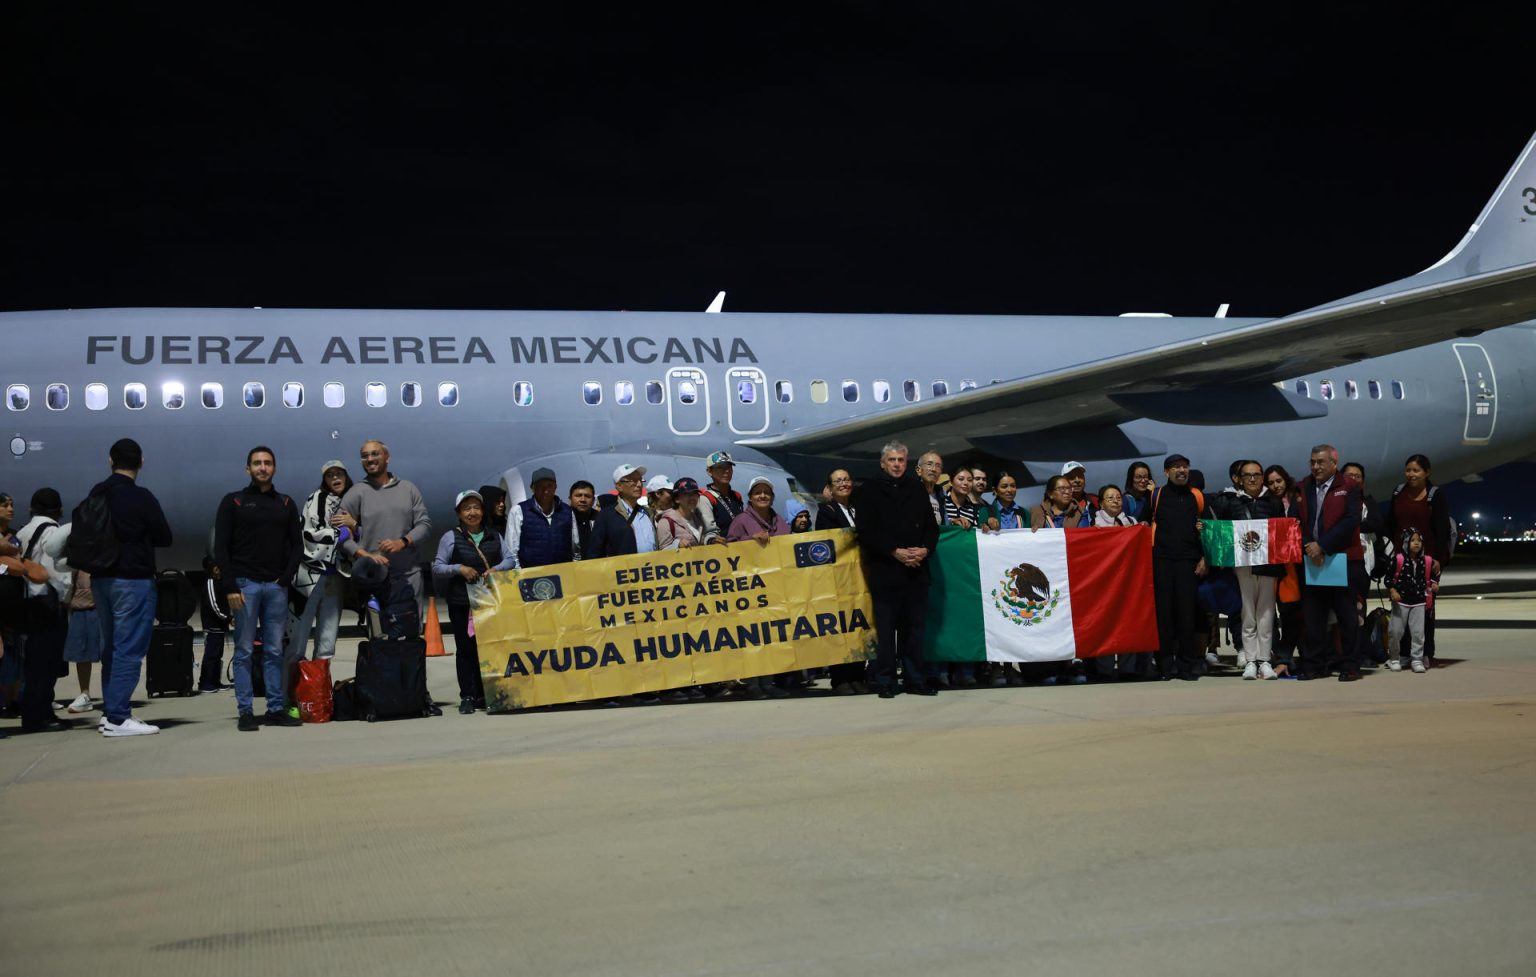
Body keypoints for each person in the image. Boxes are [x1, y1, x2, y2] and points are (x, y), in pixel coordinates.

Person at [85, 438, 173, 737]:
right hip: (132, 580)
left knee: (111, 648)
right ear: (141, 462)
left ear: (111, 461)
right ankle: (119, 718)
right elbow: (164, 536)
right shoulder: (141, 497)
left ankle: (110, 712)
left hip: (100, 579)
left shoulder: (97, 493)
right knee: (129, 649)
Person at [213, 446, 303, 731]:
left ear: (274, 468)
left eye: (267, 463)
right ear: (247, 469)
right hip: (245, 586)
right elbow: (221, 547)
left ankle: (275, 708)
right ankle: (246, 711)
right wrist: (229, 586)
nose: (262, 468)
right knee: (244, 651)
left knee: (275, 651)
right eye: (257, 463)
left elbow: (297, 544)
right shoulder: (234, 502)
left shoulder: (286, 503)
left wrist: (286, 578)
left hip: (276, 587)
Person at [853, 441, 939, 698]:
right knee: (887, 630)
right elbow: (867, 530)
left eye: (901, 460)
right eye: (892, 460)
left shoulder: (917, 489)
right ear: (883, 463)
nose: (897, 464)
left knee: (914, 629)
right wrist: (895, 552)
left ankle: (914, 678)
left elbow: (930, 528)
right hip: (886, 571)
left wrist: (924, 549)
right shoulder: (868, 490)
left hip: (916, 570)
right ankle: (885, 679)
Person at [432, 490, 517, 713]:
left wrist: (496, 569)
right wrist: (459, 568)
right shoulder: (451, 537)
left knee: (489, 648)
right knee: (466, 650)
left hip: (488, 602)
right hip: (462, 603)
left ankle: (486, 693)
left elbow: (510, 559)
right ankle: (467, 695)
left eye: (476, 508)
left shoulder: (493, 535)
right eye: (467, 508)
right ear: (459, 513)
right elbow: (437, 566)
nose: (472, 512)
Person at [339, 440, 432, 638]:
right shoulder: (356, 493)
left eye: (375, 454)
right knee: (380, 643)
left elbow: (424, 526)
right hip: (374, 582)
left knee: (411, 640)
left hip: (409, 579)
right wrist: (365, 554)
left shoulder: (408, 489)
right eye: (365, 456)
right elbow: (340, 535)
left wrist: (403, 542)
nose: (370, 459)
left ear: (387, 458)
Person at [1209, 460, 1284, 680]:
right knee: (1247, 614)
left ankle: (1265, 661)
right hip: (1243, 566)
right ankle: (1250, 660)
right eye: (1247, 475)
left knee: (1267, 613)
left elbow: (1281, 531)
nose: (1252, 479)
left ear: (1262, 477)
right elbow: (1219, 527)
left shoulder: (1273, 501)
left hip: (1268, 565)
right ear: (1239, 478)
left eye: (1256, 474)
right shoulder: (1230, 501)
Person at [1295, 443, 1364, 682]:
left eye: (1320, 462)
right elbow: (1297, 521)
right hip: (1313, 559)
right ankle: (1315, 664)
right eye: (1312, 461)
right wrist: (1309, 546)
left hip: (1342, 559)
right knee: (1314, 616)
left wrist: (1322, 546)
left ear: (1334, 463)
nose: (1315, 466)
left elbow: (1351, 521)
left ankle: (1351, 665)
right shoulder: (1303, 486)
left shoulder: (1350, 487)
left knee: (1346, 617)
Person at [1381, 454, 1453, 662]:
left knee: (1424, 609)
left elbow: (1442, 530)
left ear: (1427, 472)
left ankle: (1424, 653)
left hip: (1427, 561)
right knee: (1401, 608)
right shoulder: (1398, 492)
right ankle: (1403, 653)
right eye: (1408, 470)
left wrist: (1439, 559)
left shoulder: (1434, 495)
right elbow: (1391, 524)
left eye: (1416, 470)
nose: (1411, 474)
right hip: (1401, 561)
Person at [1144, 454, 1208, 681]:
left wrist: (1205, 559)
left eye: (1185, 467)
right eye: (1176, 467)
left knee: (1186, 615)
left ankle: (1187, 666)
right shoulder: (1156, 495)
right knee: (1164, 616)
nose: (1182, 471)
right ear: (1166, 472)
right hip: (1161, 562)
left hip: (1189, 563)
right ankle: (1165, 666)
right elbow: (1143, 527)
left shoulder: (1197, 496)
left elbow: (1208, 530)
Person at [13, 489, 72, 732]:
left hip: (27, 603)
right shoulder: (52, 532)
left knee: (33, 662)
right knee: (46, 664)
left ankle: (36, 712)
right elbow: (55, 572)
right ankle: (39, 716)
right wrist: (65, 598)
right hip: (47, 605)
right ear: (58, 510)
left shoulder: (22, 532)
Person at [289, 462, 354, 673]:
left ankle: (319, 699)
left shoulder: (351, 501)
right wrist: (341, 534)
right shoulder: (317, 499)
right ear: (324, 480)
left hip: (335, 579)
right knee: (296, 641)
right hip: (309, 579)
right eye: (330, 476)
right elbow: (309, 532)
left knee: (327, 643)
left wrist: (355, 526)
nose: (335, 478)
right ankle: (291, 697)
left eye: (339, 474)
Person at [815, 469, 867, 694]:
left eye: (846, 479)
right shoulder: (825, 512)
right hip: (838, 577)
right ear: (830, 488)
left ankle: (857, 675)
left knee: (859, 626)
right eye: (838, 481)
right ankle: (840, 678)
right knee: (841, 627)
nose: (844, 484)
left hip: (861, 576)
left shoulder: (859, 509)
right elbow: (825, 543)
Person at [1264, 464, 1305, 677]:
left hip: (1297, 564)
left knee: (1295, 613)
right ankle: (1281, 657)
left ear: (1286, 480)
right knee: (1279, 613)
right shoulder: (1266, 502)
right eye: (1270, 482)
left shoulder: (1299, 498)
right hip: (1276, 563)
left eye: (1278, 481)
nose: (1275, 486)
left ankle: (1289, 657)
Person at [1385, 528, 1438, 674]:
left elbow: (1435, 572)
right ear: (1406, 542)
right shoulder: (1398, 559)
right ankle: (1394, 658)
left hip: (1419, 602)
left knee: (1418, 633)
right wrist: (1393, 590)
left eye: (1419, 541)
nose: (1416, 543)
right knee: (1396, 631)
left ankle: (1417, 659)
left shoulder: (1426, 560)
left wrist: (1434, 583)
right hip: (1401, 601)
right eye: (1413, 540)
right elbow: (1388, 579)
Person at [509, 467, 580, 568]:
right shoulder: (519, 511)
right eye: (540, 486)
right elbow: (512, 551)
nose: (545, 490)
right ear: (532, 488)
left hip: (563, 574)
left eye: (549, 486)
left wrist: (574, 569)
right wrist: (520, 575)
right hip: (531, 576)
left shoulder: (567, 511)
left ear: (555, 487)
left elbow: (576, 547)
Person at [589, 463, 656, 558]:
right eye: (633, 480)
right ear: (619, 486)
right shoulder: (606, 516)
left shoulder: (648, 513)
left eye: (640, 480)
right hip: (624, 571)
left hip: (650, 570)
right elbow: (595, 552)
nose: (639, 484)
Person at [196, 556, 232, 692]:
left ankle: (215, 681)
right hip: (212, 626)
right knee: (211, 655)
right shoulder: (210, 583)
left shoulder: (219, 582)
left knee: (217, 654)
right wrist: (227, 618)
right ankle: (205, 683)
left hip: (219, 626)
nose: (219, 570)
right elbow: (214, 606)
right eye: (216, 568)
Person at [655, 477, 720, 549]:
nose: (692, 497)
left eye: (695, 493)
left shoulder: (699, 517)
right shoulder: (665, 522)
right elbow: (662, 552)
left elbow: (703, 539)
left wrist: (711, 540)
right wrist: (677, 545)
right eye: (687, 494)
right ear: (677, 499)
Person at [727, 477, 791, 543]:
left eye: (767, 493)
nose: (763, 496)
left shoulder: (779, 520)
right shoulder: (740, 521)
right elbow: (730, 547)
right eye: (757, 493)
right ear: (750, 497)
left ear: (772, 497)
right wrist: (751, 539)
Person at [700, 451, 744, 539]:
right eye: (720, 467)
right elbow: (709, 533)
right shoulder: (706, 499)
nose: (726, 471)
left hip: (742, 547)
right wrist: (712, 539)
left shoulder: (737, 496)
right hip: (722, 550)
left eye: (729, 467)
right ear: (709, 471)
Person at [569, 480, 597, 559]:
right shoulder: (562, 520)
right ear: (570, 499)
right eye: (578, 495)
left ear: (593, 500)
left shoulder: (601, 519)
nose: (583, 500)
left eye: (587, 496)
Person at [916, 451, 945, 524]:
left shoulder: (942, 495)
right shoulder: (909, 493)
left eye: (938, 466)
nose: (934, 469)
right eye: (929, 464)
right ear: (918, 470)